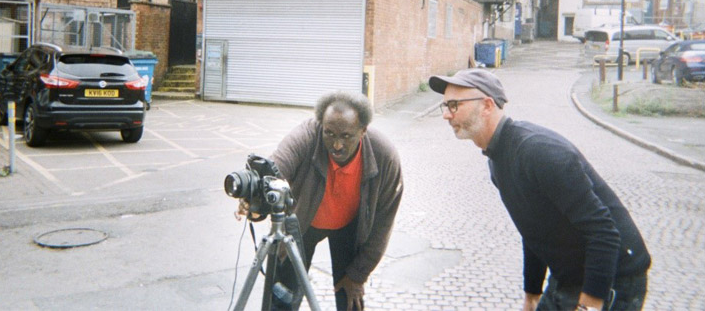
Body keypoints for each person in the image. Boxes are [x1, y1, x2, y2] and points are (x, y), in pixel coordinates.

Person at [429, 69, 651, 311]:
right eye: (445, 106)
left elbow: (604, 231)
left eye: (453, 105)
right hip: (567, 275)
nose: (446, 115)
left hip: (613, 279)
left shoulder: (539, 152)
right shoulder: (498, 157)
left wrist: (590, 305)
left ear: (487, 105)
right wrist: (532, 291)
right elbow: (534, 228)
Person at [257, 90, 403, 311]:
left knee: (351, 300)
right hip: (302, 224)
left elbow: (383, 223)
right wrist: (256, 196)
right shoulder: (307, 135)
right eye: (330, 134)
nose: (336, 145)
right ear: (321, 127)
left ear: (363, 131)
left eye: (346, 136)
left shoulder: (384, 156)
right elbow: (276, 167)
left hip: (350, 228)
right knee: (282, 300)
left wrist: (359, 273)